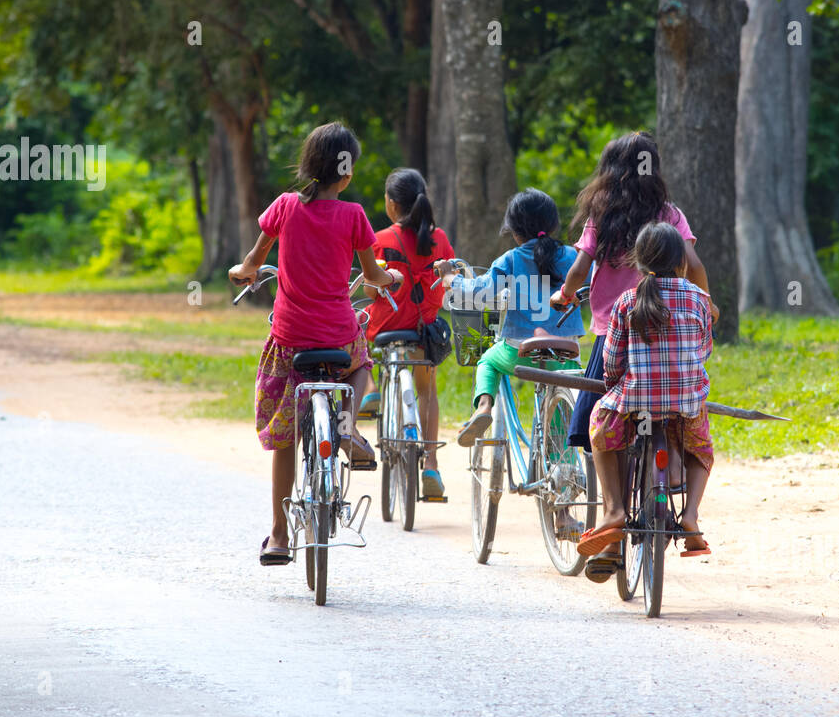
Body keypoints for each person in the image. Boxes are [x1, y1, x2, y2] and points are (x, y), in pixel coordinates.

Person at [229, 121, 402, 567]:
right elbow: (373, 274)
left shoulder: (285, 207)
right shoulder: (355, 216)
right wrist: (389, 277)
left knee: (285, 438)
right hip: (339, 337)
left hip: (290, 340)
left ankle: (280, 536)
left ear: (308, 167)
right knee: (363, 363)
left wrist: (243, 272)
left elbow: (253, 261)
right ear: (346, 174)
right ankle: (346, 422)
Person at [549, 131, 712, 455]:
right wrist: (706, 304)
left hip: (613, 326)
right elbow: (694, 266)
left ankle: (612, 494)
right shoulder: (669, 214)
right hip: (663, 322)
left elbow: (580, 269)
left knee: (595, 411)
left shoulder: (602, 215)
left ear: (609, 172)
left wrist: (565, 294)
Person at [574, 221, 718, 581]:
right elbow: (704, 350)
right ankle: (691, 516)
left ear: (638, 262)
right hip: (685, 404)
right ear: (682, 263)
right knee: (701, 449)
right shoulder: (700, 300)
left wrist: (614, 387)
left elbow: (612, 363)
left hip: (635, 400)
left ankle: (613, 511)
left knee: (600, 425)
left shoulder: (626, 301)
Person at [433, 188, 584, 449]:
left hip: (520, 351)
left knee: (487, 361)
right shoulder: (573, 256)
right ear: (553, 224)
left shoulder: (511, 259)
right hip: (566, 354)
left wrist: (451, 279)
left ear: (514, 230)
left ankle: (483, 407)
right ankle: (564, 467)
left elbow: (481, 294)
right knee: (560, 412)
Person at [359, 168, 455, 499]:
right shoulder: (439, 239)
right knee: (426, 390)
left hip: (386, 327)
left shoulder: (379, 241)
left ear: (390, 204)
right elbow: (447, 286)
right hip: (423, 332)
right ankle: (431, 463)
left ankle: (371, 385)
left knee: (357, 322)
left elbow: (372, 293)